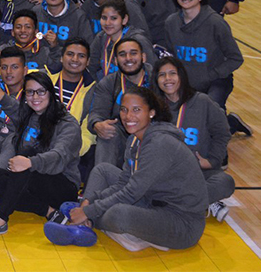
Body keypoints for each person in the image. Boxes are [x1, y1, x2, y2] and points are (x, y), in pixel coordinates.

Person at [48, 87, 208, 252]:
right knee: (103, 170)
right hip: (152, 201)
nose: (128, 116)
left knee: (118, 215)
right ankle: (83, 218)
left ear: (151, 112)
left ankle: (85, 221)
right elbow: (123, 182)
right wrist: (90, 202)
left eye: (136, 110)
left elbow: (132, 192)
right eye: (124, 110)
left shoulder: (160, 143)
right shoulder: (134, 139)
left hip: (183, 223)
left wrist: (89, 211)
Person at [0, 72, 80, 236]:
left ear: (51, 94)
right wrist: (1, 96)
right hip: (32, 180)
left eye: (41, 91)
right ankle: (47, 210)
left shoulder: (68, 125)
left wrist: (31, 163)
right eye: (30, 92)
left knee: (26, 154)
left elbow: (59, 156)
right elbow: (15, 109)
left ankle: (0, 218)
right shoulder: (30, 115)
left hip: (62, 186)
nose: (35, 97)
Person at [164, 0, 248, 135]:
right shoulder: (171, 23)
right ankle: (232, 122)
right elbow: (171, 56)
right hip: (185, 83)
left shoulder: (216, 23)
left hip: (215, 82)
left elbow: (236, 58)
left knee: (209, 112)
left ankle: (222, 136)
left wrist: (211, 75)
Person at [153, 57, 235, 221]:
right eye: (162, 75)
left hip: (198, 172)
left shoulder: (202, 101)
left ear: (181, 76)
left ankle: (177, 204)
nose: (167, 79)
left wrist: (212, 160)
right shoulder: (153, 106)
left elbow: (223, 131)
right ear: (156, 80)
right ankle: (202, 202)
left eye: (172, 73)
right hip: (164, 174)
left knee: (225, 182)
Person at [86, 38, 152, 167]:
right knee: (109, 133)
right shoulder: (108, 83)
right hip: (122, 134)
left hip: (152, 133)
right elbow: (96, 113)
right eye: (122, 54)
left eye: (133, 53)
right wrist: (97, 124)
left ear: (143, 57)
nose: (128, 58)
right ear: (115, 60)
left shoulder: (156, 78)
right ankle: (103, 182)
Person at [47, 38, 96, 181]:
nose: (75, 59)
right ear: (62, 58)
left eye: (81, 56)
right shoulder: (45, 76)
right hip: (40, 138)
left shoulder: (93, 90)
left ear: (88, 62)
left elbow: (88, 131)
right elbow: (12, 72)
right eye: (70, 54)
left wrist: (72, 150)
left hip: (71, 147)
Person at [88, 0, 156, 81]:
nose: (108, 23)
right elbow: (90, 67)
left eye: (113, 18)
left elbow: (152, 73)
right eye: (104, 18)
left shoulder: (138, 40)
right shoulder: (101, 37)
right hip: (109, 89)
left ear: (124, 20)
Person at [36, 0, 93, 69]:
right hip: (40, 67)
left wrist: (56, 46)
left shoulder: (79, 16)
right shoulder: (35, 12)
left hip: (69, 68)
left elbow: (87, 49)